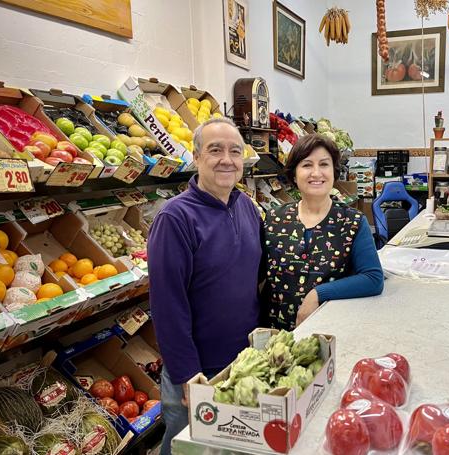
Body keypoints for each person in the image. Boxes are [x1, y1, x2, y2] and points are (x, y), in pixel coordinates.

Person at [148, 118, 262, 455]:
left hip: (240, 363)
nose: (226, 159)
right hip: (198, 373)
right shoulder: (175, 219)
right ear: (196, 158)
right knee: (186, 447)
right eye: (215, 150)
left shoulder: (245, 207)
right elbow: (167, 305)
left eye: (234, 151)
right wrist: (186, 372)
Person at [262, 134, 384, 330]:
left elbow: (373, 279)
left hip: (331, 333)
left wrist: (318, 294)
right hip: (278, 337)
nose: (316, 173)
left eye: (324, 164)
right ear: (294, 174)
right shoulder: (274, 219)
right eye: (307, 165)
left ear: (334, 172)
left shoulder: (352, 222)